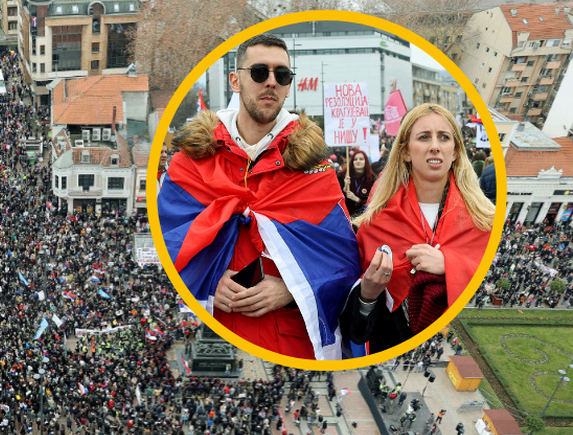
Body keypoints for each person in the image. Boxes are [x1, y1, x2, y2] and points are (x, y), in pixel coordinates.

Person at [158, 33, 360, 360]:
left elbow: (342, 260)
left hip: (288, 342)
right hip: (210, 334)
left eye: (281, 75)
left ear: (289, 85)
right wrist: (209, 279)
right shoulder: (190, 161)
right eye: (259, 72)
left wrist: (291, 290)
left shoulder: (315, 168)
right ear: (235, 80)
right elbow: (166, 241)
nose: (271, 82)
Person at [341, 103, 496, 354]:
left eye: (444, 137)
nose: (435, 145)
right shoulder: (374, 222)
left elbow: (488, 291)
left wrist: (450, 265)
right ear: (405, 152)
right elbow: (352, 325)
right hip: (389, 347)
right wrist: (367, 295)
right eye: (424, 137)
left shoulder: (483, 221)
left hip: (441, 346)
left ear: (455, 151)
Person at [337, 148, 376, 218]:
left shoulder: (372, 179)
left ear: (366, 161)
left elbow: (373, 203)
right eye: (355, 159)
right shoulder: (343, 176)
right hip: (346, 217)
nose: (358, 161)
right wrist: (345, 187)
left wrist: (357, 199)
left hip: (364, 217)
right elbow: (338, 199)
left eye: (361, 159)